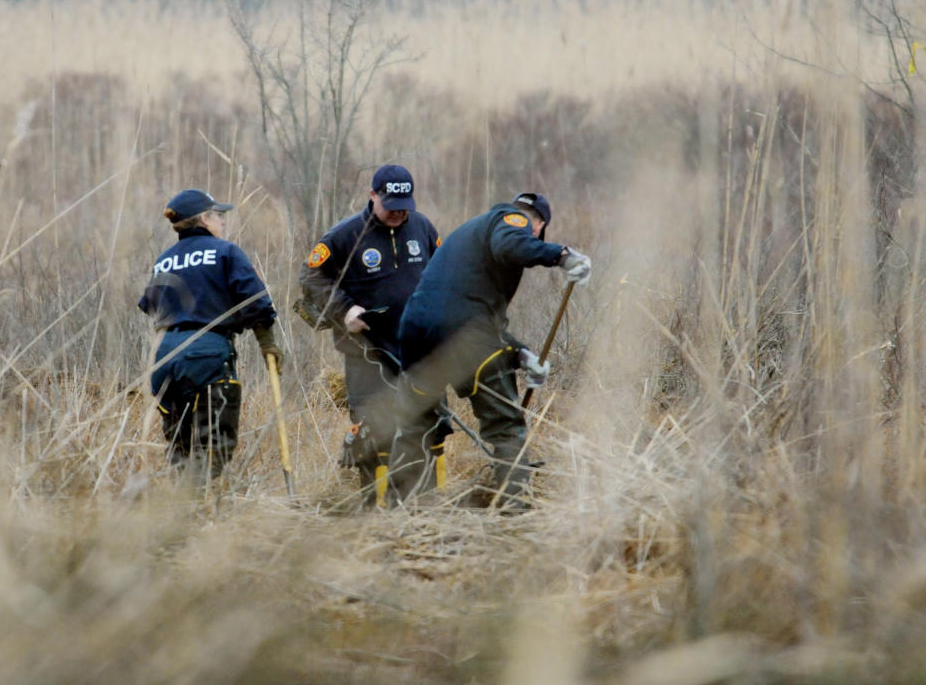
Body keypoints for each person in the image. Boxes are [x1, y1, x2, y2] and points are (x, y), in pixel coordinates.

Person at [389, 192, 592, 510]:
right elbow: (509, 245)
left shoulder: (469, 234)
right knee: (505, 425)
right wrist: (563, 256)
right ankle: (511, 507)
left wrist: (522, 355)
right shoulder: (512, 219)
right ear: (538, 224)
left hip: (415, 334)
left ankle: (409, 508)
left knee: (417, 424)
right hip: (465, 336)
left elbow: (464, 311)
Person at [298, 165, 442, 506]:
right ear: (373, 195)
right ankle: (371, 512)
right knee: (373, 429)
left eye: (404, 203)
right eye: (390, 203)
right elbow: (311, 277)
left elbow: (440, 271)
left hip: (416, 349)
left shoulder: (421, 226)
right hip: (368, 353)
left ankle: (423, 510)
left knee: (424, 426)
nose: (398, 211)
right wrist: (344, 309)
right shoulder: (345, 236)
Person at [137, 188, 283, 482]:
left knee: (180, 447)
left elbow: (148, 305)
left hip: (164, 357)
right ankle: (205, 512)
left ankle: (182, 511)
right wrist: (268, 345)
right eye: (218, 215)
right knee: (213, 447)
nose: (223, 221)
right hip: (207, 355)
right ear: (204, 219)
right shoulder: (226, 251)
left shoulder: (163, 260)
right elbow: (256, 302)